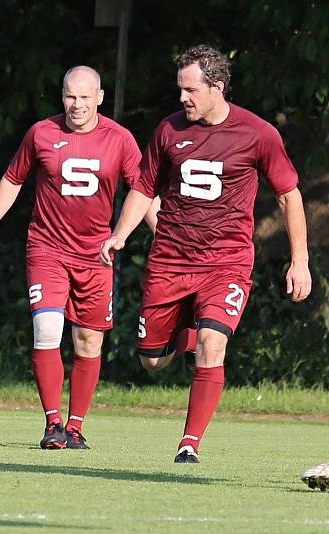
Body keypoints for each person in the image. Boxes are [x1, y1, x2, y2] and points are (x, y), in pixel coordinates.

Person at [100, 45, 312, 463]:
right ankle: (187, 334)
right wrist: (120, 234)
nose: (182, 98)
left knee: (213, 345)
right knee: (152, 363)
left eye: (191, 90)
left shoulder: (258, 133)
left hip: (226, 262)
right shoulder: (168, 130)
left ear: (217, 88)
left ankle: (189, 444)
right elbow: (144, 189)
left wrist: (299, 260)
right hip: (170, 260)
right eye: (180, 89)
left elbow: (289, 196)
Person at [0, 66, 141, 450]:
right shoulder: (41, 132)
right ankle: (52, 424)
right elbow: (12, 181)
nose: (76, 105)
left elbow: (142, 190)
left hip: (96, 254)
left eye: (84, 97)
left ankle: (76, 426)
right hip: (47, 248)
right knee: (47, 330)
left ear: (99, 97)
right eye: (69, 96)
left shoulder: (120, 139)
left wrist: (154, 235)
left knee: (88, 342)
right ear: (61, 95)